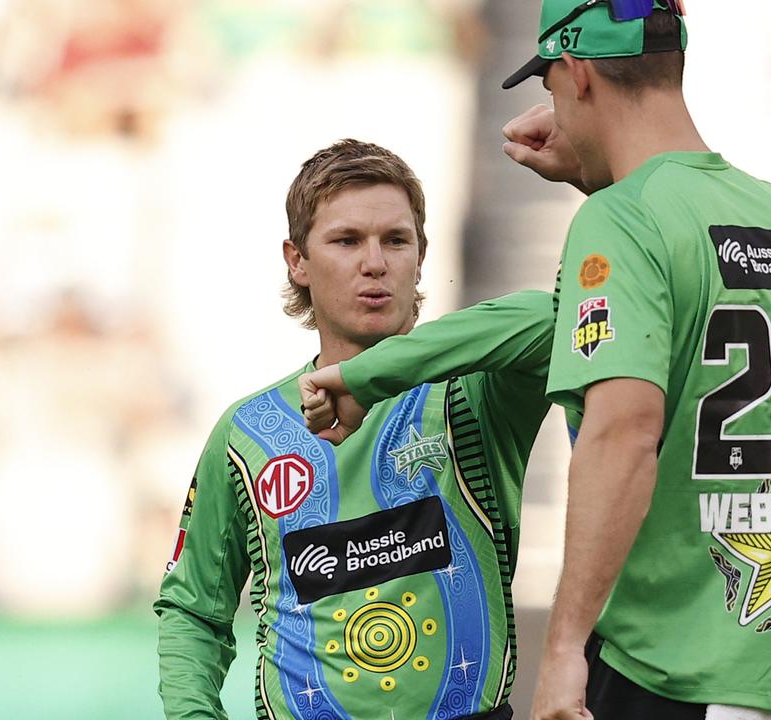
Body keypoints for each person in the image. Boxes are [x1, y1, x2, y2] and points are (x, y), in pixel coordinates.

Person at [306, 2, 771, 718]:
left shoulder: (623, 221)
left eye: (551, 85)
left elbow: (624, 431)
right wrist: (599, 172)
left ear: (579, 74)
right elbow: (662, 294)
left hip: (671, 665)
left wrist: (562, 650)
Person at [154, 139, 553, 719]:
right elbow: (195, 610)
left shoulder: (473, 393)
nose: (376, 262)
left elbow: (551, 319)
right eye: (346, 241)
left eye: (396, 240)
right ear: (297, 260)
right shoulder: (250, 431)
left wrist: (368, 377)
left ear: (421, 255)